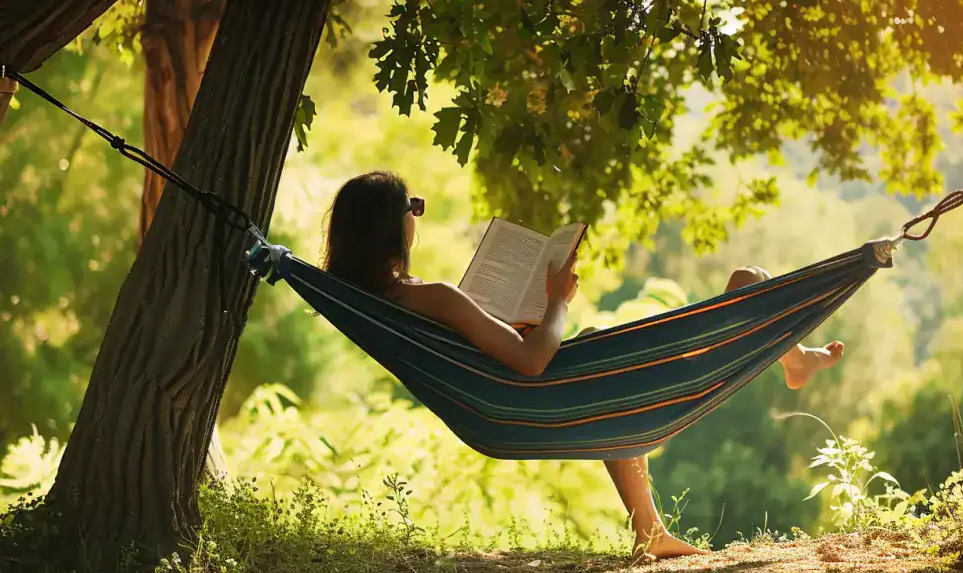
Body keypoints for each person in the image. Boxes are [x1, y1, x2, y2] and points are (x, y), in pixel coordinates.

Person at [321, 171, 846, 561]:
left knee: (619, 349)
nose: (417, 216)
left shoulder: (384, 302)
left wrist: (520, 322)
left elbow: (502, 352)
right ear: (391, 226)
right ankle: (793, 362)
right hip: (530, 396)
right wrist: (557, 301)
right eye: (412, 207)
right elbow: (531, 361)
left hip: (504, 405)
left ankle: (650, 532)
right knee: (747, 283)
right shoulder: (429, 295)